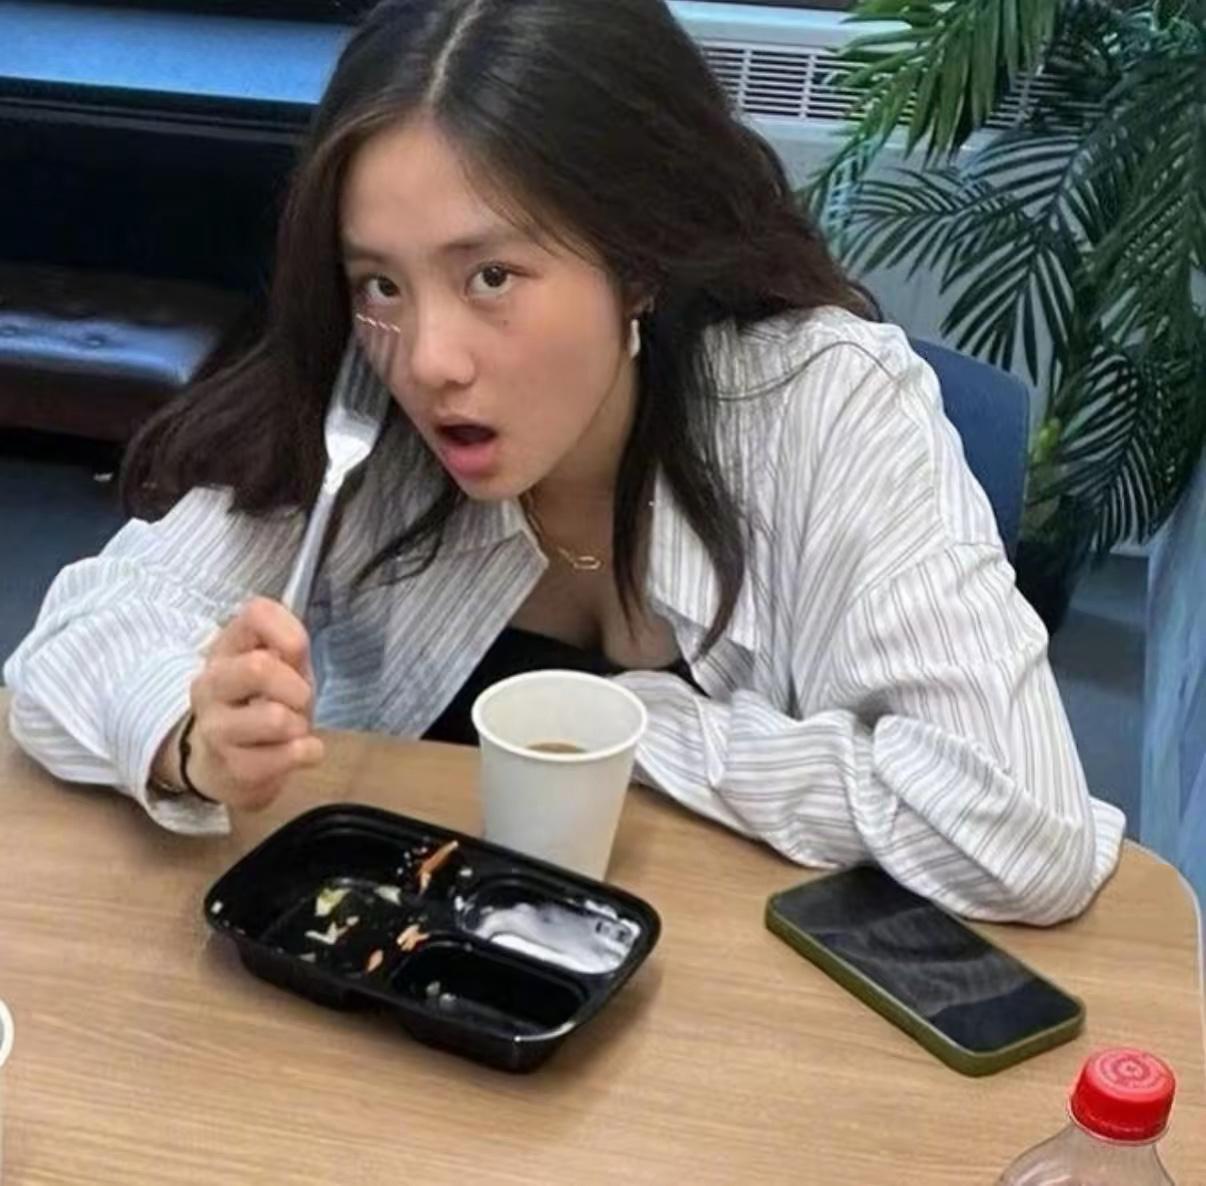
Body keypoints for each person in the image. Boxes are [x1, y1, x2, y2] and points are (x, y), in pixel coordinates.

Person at [4, 0, 1123, 924]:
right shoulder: (361, 413)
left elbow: (1021, 826)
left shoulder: (821, 402)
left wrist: (641, 727)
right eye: (381, 283)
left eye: (490, 276)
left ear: (635, 261)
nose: (428, 360)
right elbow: (73, 644)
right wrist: (192, 734)